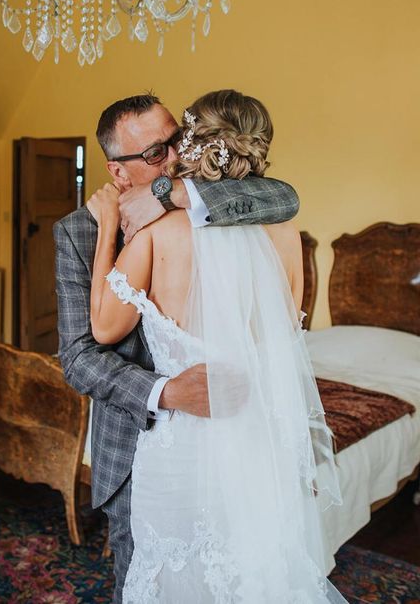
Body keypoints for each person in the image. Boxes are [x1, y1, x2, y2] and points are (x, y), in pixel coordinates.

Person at [87, 89, 344, 602]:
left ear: (193, 144)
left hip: (181, 451)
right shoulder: (288, 233)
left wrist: (108, 231)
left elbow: (103, 328)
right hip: (258, 448)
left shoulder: (159, 231)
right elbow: (285, 335)